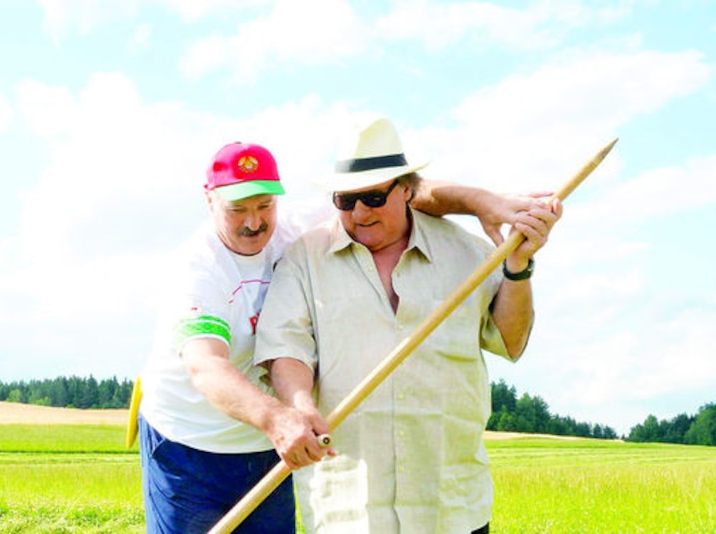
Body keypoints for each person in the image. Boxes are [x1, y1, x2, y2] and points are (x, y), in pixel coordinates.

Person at [137, 139, 548, 533]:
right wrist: (279, 415)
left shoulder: (310, 223)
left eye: (265, 205)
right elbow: (206, 366)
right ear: (209, 200)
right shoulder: (198, 271)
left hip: (274, 444)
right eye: (237, 209)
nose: (254, 221)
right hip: (191, 442)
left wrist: (484, 203)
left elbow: (417, 193)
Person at [253, 117, 562, 533]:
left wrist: (517, 268)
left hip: (450, 504)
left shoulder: (467, 251)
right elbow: (285, 346)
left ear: (406, 189)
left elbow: (510, 340)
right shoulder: (304, 258)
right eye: (345, 201)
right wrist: (301, 406)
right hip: (349, 509)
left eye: (374, 197)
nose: (359, 213)